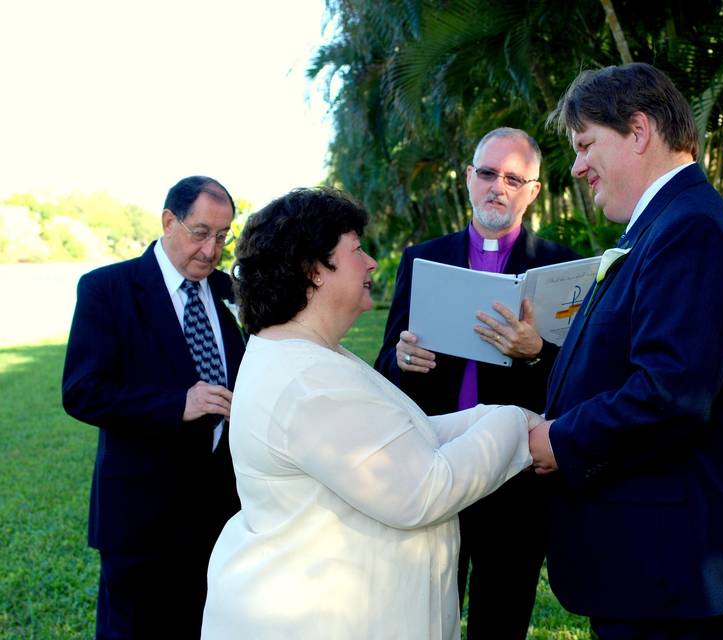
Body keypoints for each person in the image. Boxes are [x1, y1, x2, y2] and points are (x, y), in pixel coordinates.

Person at [201, 187, 540, 640]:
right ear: (314, 270)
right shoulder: (307, 381)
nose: (372, 263)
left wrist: (491, 415)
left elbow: (399, 436)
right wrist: (517, 425)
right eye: (356, 249)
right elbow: (422, 491)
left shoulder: (310, 354)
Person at [531, 62, 723, 639]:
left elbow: (672, 393)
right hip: (655, 564)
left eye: (586, 143)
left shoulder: (689, 228)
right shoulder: (663, 225)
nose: (577, 166)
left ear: (638, 131)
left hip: (677, 568)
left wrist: (560, 439)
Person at [374, 127, 578, 638]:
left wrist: (536, 354)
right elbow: (384, 361)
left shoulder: (560, 265)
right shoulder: (423, 257)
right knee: (425, 610)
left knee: (501, 613)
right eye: (487, 173)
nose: (497, 187)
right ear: (468, 178)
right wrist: (401, 359)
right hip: (433, 460)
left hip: (513, 469)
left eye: (513, 178)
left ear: (532, 190)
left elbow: (581, 378)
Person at [62, 176, 244, 638]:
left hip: (220, 516)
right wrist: (176, 404)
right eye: (201, 232)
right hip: (141, 522)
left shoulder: (231, 293)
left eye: (222, 237)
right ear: (168, 221)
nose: (211, 250)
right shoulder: (108, 289)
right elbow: (82, 390)